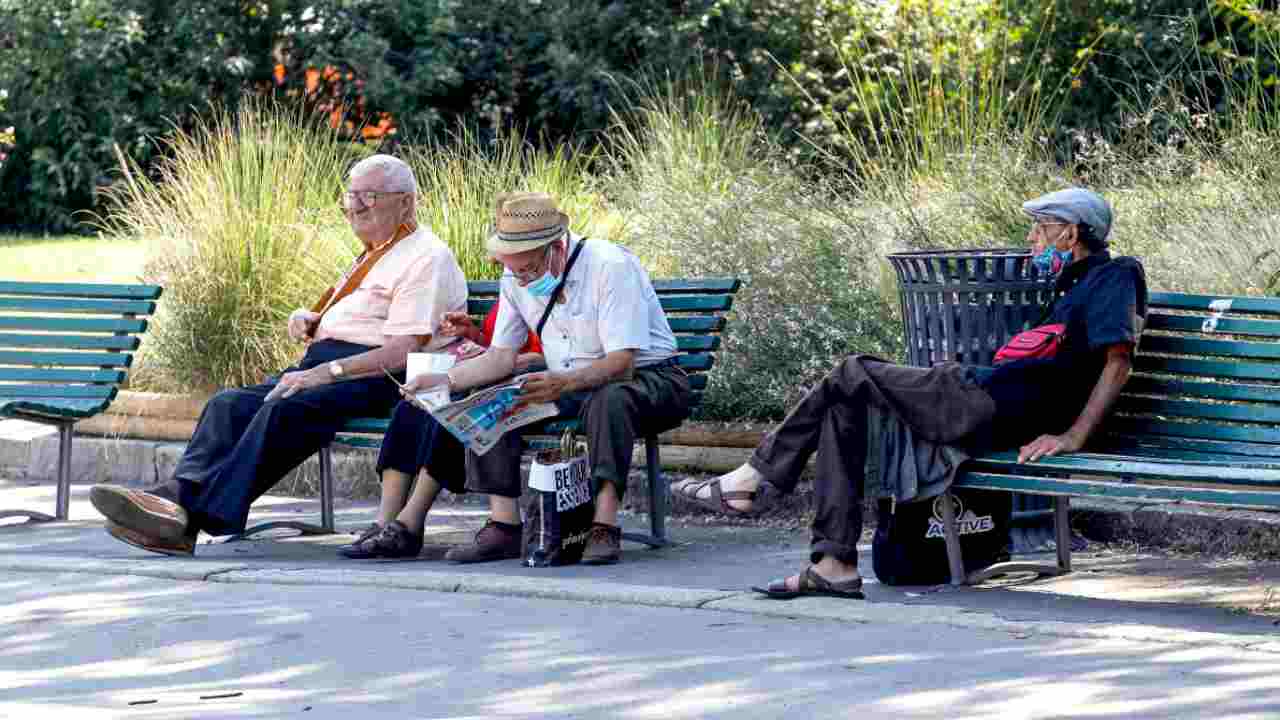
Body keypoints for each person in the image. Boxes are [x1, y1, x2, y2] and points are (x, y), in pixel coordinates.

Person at [673, 187, 1146, 599]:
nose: (1032, 239)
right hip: (982, 395)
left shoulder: (1115, 275)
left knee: (851, 370)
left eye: (1040, 229)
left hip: (984, 403)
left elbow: (1118, 361)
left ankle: (754, 478)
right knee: (843, 403)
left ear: (1070, 233)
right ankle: (832, 565)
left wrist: (1073, 437)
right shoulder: (1072, 284)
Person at [89, 154, 468, 556]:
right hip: (331, 364)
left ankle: (188, 519)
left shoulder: (426, 256)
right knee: (227, 404)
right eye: (351, 195)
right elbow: (365, 315)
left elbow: (400, 350)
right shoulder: (377, 251)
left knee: (283, 407)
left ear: (405, 202)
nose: (354, 206)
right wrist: (312, 319)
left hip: (378, 377)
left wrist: (327, 371)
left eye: (369, 196)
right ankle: (175, 498)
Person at [403, 191, 692, 565]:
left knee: (610, 400)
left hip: (649, 379)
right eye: (514, 270)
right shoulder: (514, 275)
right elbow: (501, 357)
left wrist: (564, 383)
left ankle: (603, 525)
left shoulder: (609, 265)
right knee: (502, 396)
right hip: (571, 380)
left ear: (556, 247)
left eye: (529, 270)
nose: (521, 280)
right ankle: (504, 525)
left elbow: (621, 362)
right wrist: (445, 381)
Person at [338, 299, 544, 559]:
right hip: (484, 373)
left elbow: (539, 356)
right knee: (409, 410)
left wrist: (475, 366)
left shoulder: (541, 287)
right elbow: (498, 345)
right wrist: (473, 334)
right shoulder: (514, 286)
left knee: (448, 410)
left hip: (520, 383)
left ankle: (408, 524)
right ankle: (385, 520)